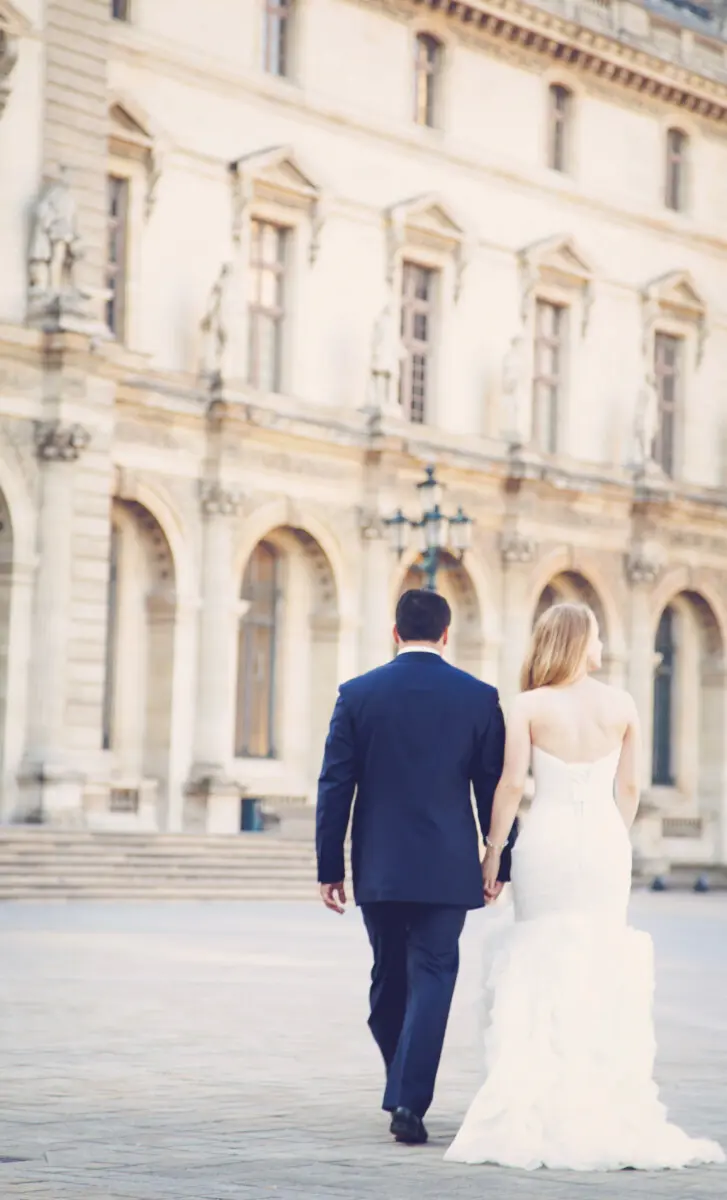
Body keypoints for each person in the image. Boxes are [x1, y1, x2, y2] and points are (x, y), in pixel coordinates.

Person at [446, 602, 725, 1171]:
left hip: (545, 842)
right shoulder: (622, 705)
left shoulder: (528, 705)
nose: (601, 646)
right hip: (604, 845)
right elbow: (630, 788)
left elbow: (510, 786)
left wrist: (493, 851)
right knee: (600, 961)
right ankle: (601, 1103)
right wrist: (611, 837)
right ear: (579, 642)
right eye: (596, 635)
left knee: (539, 959)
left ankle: (534, 1102)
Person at [316, 589, 514, 1146]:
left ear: (394, 632)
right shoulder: (479, 698)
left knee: (388, 977)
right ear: (446, 635)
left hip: (380, 864)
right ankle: (408, 1093)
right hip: (448, 866)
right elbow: (493, 786)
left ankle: (404, 1090)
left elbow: (335, 786)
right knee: (433, 976)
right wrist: (499, 858)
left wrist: (329, 866)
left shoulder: (357, 695)